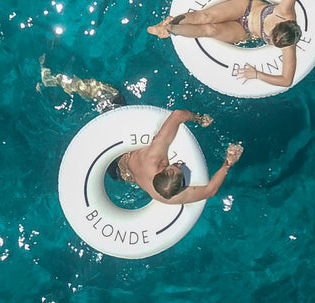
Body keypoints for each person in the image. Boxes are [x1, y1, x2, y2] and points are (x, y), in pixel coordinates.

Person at [38, 58, 243, 204]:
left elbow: (179, 114)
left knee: (110, 94)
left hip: (118, 154)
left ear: (163, 168)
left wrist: (199, 119)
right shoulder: (164, 197)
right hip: (117, 173)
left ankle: (53, 79)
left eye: (176, 167)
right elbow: (210, 190)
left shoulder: (157, 158)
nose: (179, 163)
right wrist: (227, 164)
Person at [147, 0, 304, 88]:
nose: (270, 36)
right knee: (205, 17)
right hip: (246, 8)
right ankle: (165, 26)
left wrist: (257, 74)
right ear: (280, 24)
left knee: (210, 30)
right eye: (273, 33)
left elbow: (286, 80)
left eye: (273, 41)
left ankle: (171, 29)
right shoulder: (285, 11)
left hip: (244, 31)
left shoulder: (288, 45)